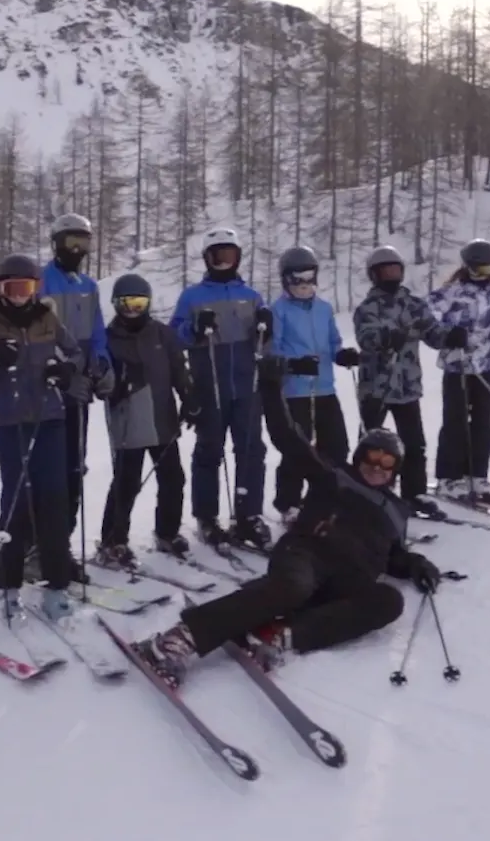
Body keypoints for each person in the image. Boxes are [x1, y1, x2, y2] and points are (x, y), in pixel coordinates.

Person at [130, 347, 443, 682]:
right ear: (358, 456)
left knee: (389, 600)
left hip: (346, 580)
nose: (377, 467)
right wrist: (270, 386)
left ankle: (283, 635)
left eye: (386, 462)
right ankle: (178, 640)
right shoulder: (334, 474)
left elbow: (392, 555)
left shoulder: (396, 511)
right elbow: (287, 437)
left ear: (395, 470)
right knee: (294, 587)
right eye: (371, 457)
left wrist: (416, 565)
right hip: (307, 555)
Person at [0, 252, 88, 620]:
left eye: (27, 287)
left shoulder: (47, 317)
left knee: (53, 501)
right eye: (12, 288)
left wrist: (64, 370)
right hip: (10, 421)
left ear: (36, 287)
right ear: (1, 288)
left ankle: (56, 585)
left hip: (51, 419)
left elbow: (76, 353)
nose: (19, 295)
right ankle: (9, 585)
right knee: (16, 500)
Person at [169, 226, 272, 549]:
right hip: (209, 383)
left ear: (238, 257)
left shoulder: (251, 296)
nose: (224, 261)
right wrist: (195, 328)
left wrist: (266, 330)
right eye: (218, 256)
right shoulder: (192, 296)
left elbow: (266, 343)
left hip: (246, 384)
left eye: (229, 255)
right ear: (207, 258)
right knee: (209, 449)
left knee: (251, 449)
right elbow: (174, 337)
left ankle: (248, 514)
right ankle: (207, 516)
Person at [351, 245, 467, 513]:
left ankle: (414, 494)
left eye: (396, 270)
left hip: (407, 385)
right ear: (375, 275)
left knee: (414, 444)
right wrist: (386, 338)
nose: (392, 276)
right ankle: (363, 493)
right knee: (370, 444)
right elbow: (366, 338)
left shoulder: (413, 305)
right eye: (386, 271)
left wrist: (450, 336)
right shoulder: (368, 308)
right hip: (377, 386)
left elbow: (433, 334)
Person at [95, 272, 197, 567]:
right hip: (129, 421)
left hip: (162, 418)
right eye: (125, 304)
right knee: (126, 482)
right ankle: (113, 540)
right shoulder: (109, 339)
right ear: (116, 304)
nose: (132, 310)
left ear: (148, 303)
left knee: (173, 478)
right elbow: (101, 380)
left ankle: (167, 532)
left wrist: (189, 398)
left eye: (138, 304)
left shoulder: (162, 334)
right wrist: (115, 385)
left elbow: (179, 369)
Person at [264, 244, 361, 520]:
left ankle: (326, 498)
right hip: (295, 391)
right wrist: (294, 365)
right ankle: (288, 503)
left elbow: (333, 342)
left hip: (324, 388)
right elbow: (272, 351)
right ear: (286, 280)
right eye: (298, 278)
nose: (305, 284)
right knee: (298, 448)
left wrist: (341, 355)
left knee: (336, 446)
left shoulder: (324, 309)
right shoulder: (278, 311)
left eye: (309, 276)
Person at [427, 240, 490, 501]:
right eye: (477, 269)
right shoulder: (452, 291)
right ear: (466, 267)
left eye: (487, 269)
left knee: (482, 423)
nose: (482, 275)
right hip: (457, 365)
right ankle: (449, 477)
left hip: (485, 364)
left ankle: (476, 475)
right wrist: (448, 333)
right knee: (455, 422)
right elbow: (426, 312)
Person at [39, 213, 109, 530]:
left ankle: (63, 534)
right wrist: (57, 369)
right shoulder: (41, 282)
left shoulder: (89, 287)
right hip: (48, 385)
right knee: (48, 463)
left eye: (84, 242)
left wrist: (101, 362)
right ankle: (40, 538)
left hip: (79, 386)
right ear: (57, 244)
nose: (78, 250)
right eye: (72, 242)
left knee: (74, 464)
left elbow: (97, 332)